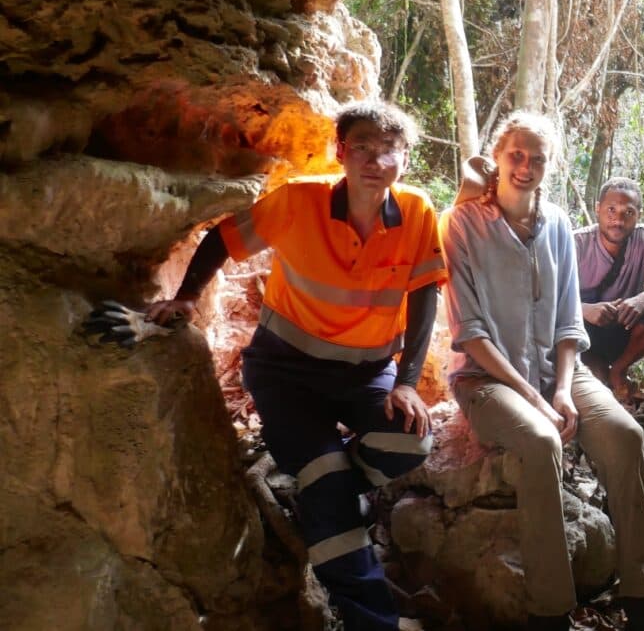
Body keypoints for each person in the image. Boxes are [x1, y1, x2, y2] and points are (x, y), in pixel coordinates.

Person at [143, 102, 447, 631]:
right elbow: (222, 238)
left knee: (410, 440)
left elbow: (424, 299)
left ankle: (316, 488)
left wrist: (405, 382)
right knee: (329, 476)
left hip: (365, 373)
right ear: (340, 152)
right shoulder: (301, 200)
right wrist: (188, 296)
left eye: (389, 150)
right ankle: (374, 620)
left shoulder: (418, 212)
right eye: (362, 148)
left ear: (406, 157)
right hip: (286, 373)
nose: (375, 160)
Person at [440, 112, 644, 631]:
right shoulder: (463, 225)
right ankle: (552, 611)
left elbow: (569, 320)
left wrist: (562, 388)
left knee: (625, 434)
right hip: (487, 379)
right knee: (543, 442)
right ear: (496, 158)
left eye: (537, 158)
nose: (525, 166)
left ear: (549, 165)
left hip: (557, 370)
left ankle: (643, 595)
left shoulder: (559, 224)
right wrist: (538, 400)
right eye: (515, 155)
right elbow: (471, 331)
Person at [574, 176, 644, 396]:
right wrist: (585, 310)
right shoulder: (577, 243)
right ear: (597, 209)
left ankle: (619, 370)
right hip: (582, 333)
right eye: (611, 209)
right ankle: (602, 374)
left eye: (628, 212)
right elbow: (547, 296)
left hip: (623, 327)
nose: (618, 220)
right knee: (599, 388)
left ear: (638, 215)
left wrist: (643, 298)